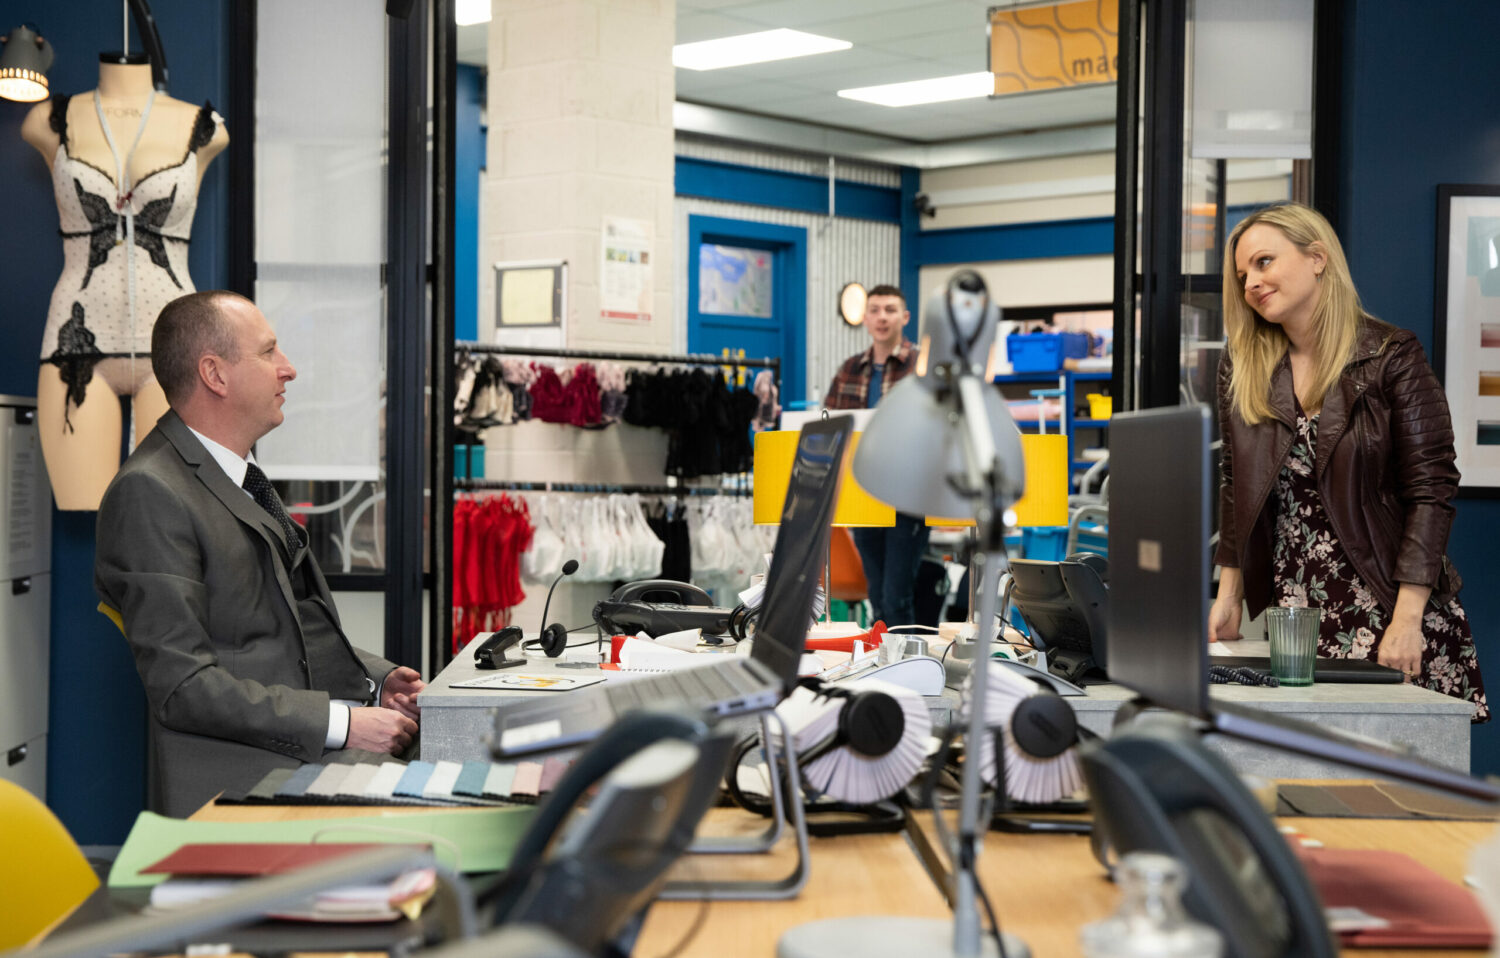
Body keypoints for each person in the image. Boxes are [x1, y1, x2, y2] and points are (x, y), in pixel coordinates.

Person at [95, 290, 426, 816]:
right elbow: (183, 686)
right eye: (269, 352)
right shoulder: (151, 492)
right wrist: (344, 724)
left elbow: (281, 629)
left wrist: (376, 680)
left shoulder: (236, 475)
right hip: (243, 782)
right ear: (215, 374)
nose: (288, 369)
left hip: (295, 760)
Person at [1209, 203, 1487, 721]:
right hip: (1296, 614)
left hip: (1389, 606)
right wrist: (1228, 594)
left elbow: (1431, 489)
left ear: (1317, 258)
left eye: (1264, 262)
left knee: (1404, 766)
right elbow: (1235, 484)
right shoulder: (1243, 365)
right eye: (1243, 275)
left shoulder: (1391, 355)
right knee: (1305, 759)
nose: (1251, 283)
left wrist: (1407, 618)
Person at [21, 57, 229, 511]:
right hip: (76, 344)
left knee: (167, 514)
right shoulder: (48, 120)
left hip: (173, 344)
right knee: (84, 503)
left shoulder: (204, 127)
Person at [825, 284, 930, 626]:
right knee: (876, 596)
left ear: (905, 317)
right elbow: (829, 424)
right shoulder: (850, 369)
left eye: (890, 310)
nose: (882, 317)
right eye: (874, 310)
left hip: (907, 496)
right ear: (865, 318)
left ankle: (904, 657)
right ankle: (882, 654)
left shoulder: (923, 367)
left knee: (896, 597)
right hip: (863, 494)